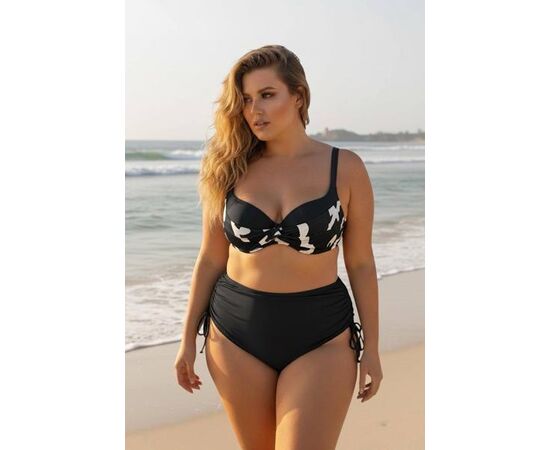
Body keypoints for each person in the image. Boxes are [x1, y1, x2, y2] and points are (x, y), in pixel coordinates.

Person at [174, 44, 382, 450]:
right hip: (235, 334)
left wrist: (372, 347)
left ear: (298, 96)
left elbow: (360, 263)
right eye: (246, 99)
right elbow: (211, 258)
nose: (255, 110)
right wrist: (185, 340)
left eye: (267, 95)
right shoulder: (228, 167)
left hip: (322, 336)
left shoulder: (346, 168)